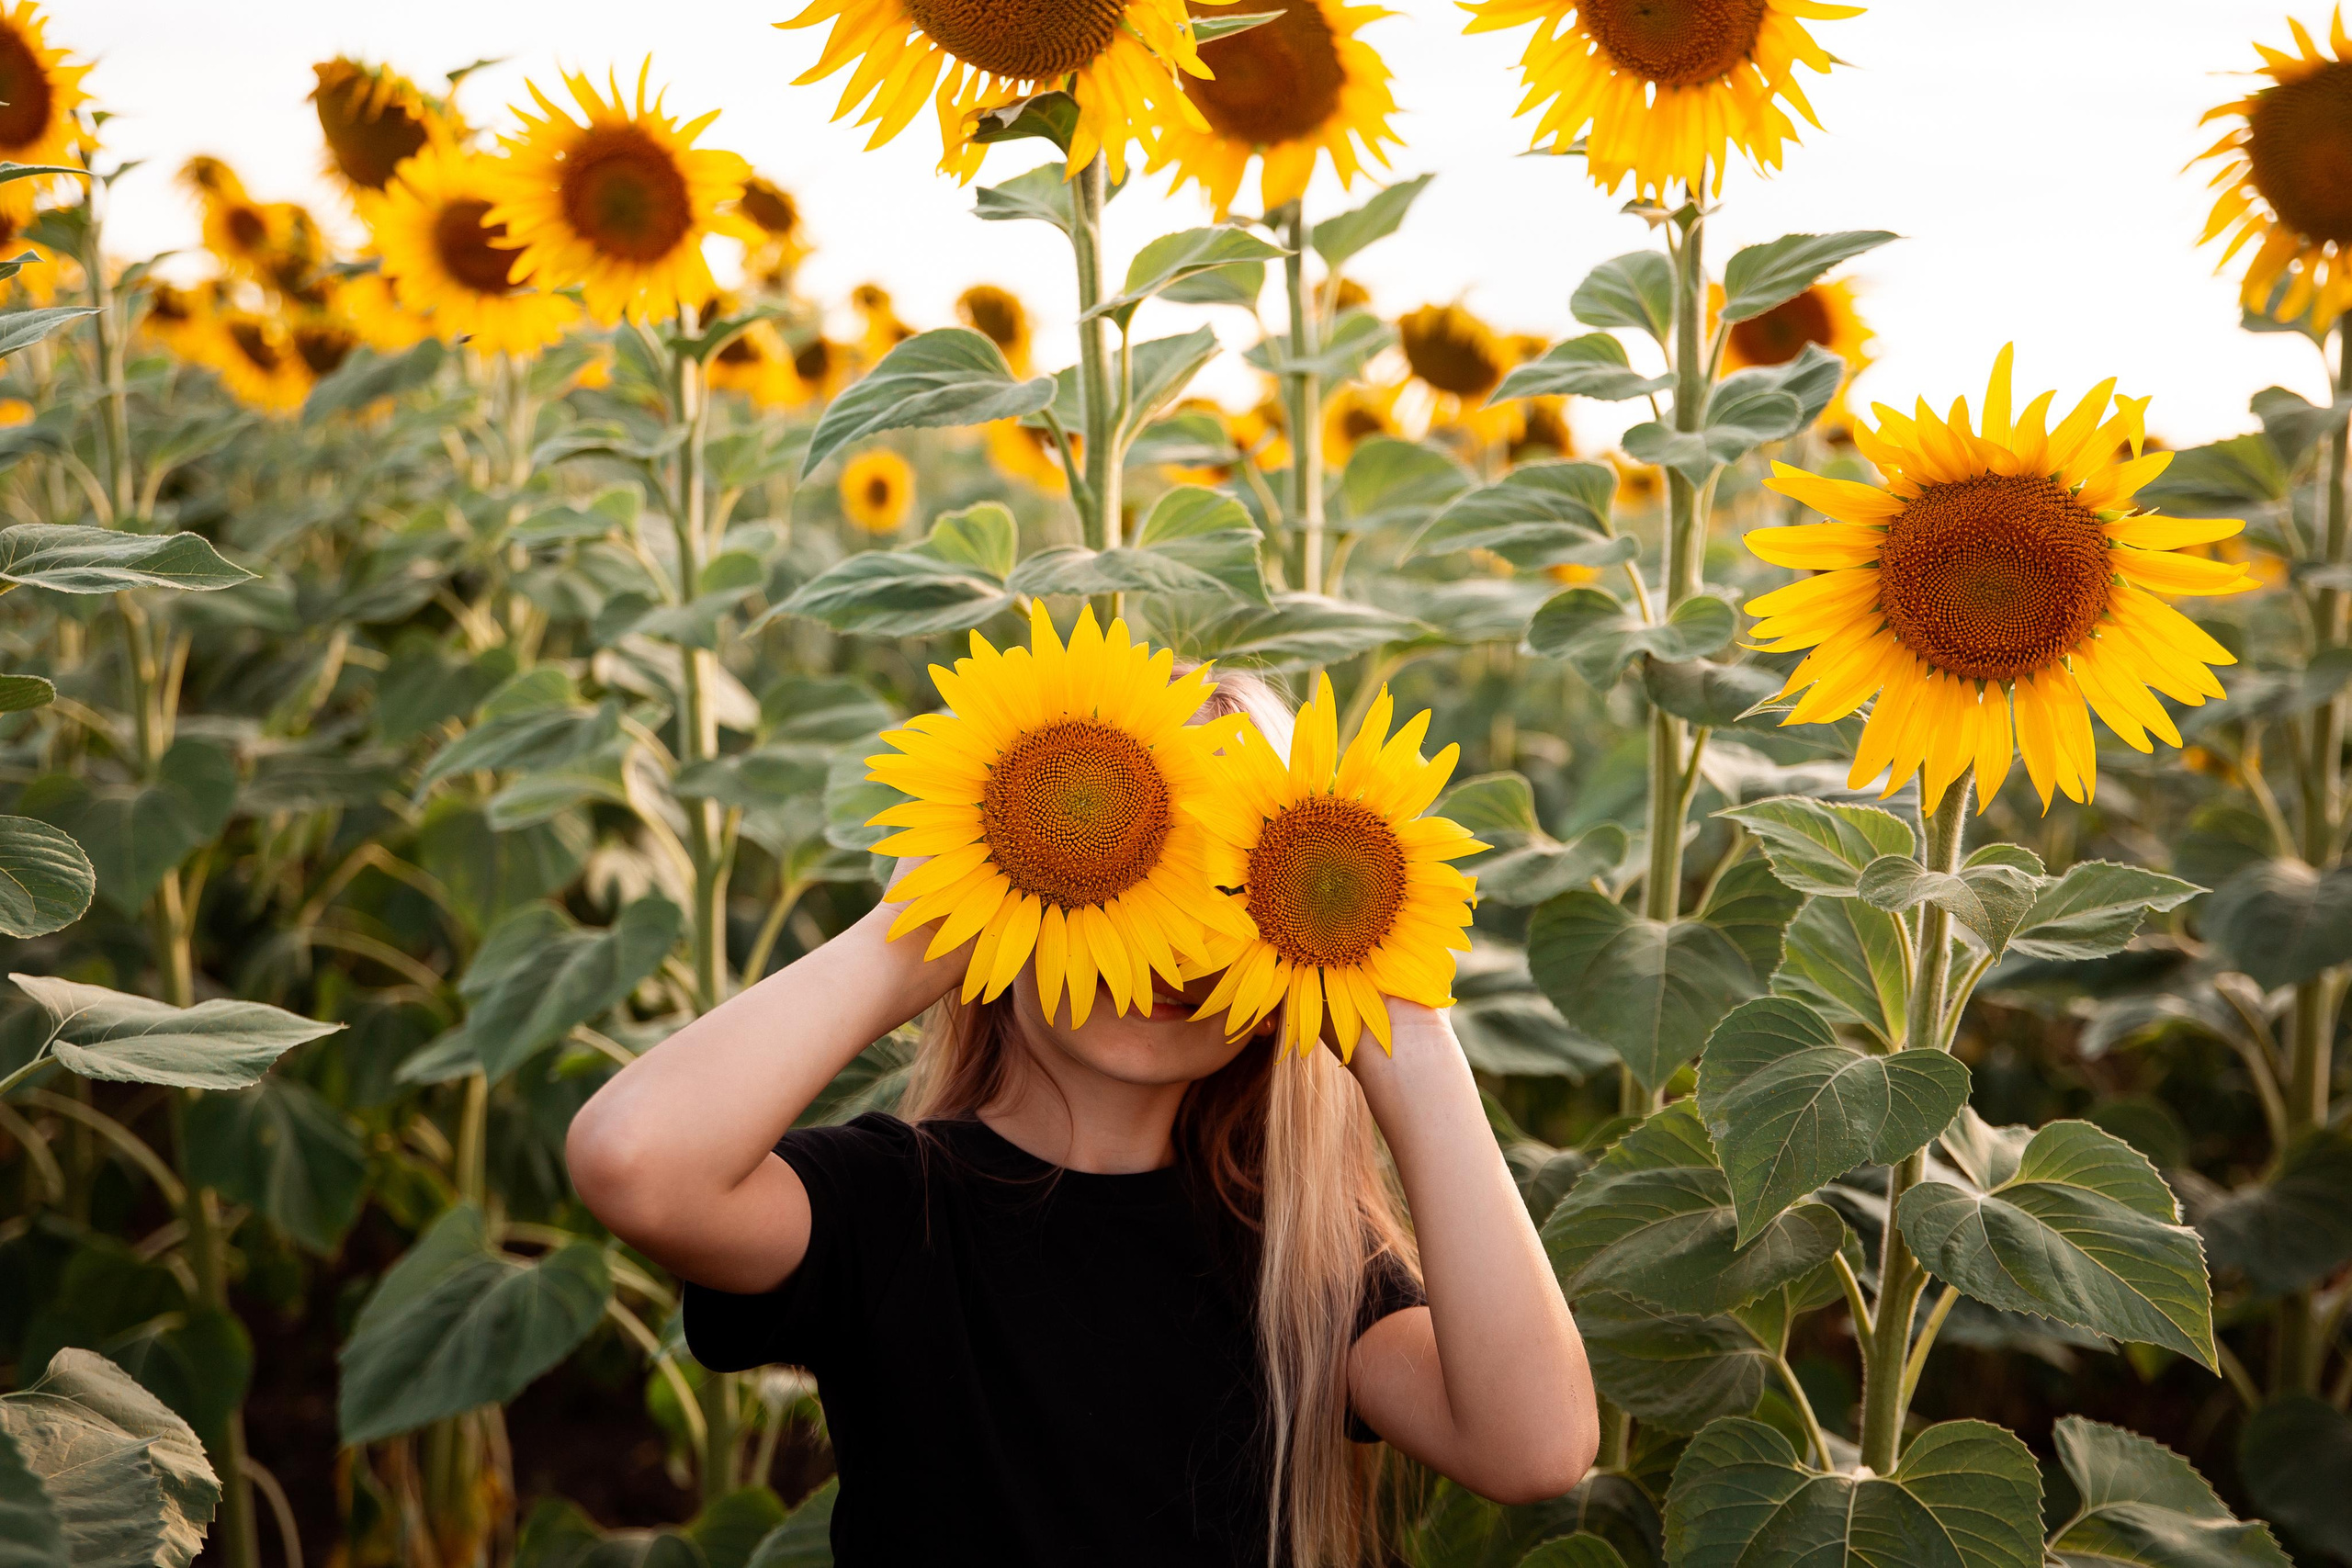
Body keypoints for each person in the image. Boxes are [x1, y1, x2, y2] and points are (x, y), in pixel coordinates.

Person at [565, 670, 1598, 1567]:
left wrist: (1402, 1022)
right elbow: (634, 1160)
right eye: (1132, 872)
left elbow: (1536, 1446)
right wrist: (927, 919)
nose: (1176, 947)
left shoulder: (1304, 1270)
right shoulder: (890, 1210)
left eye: (1235, 894)